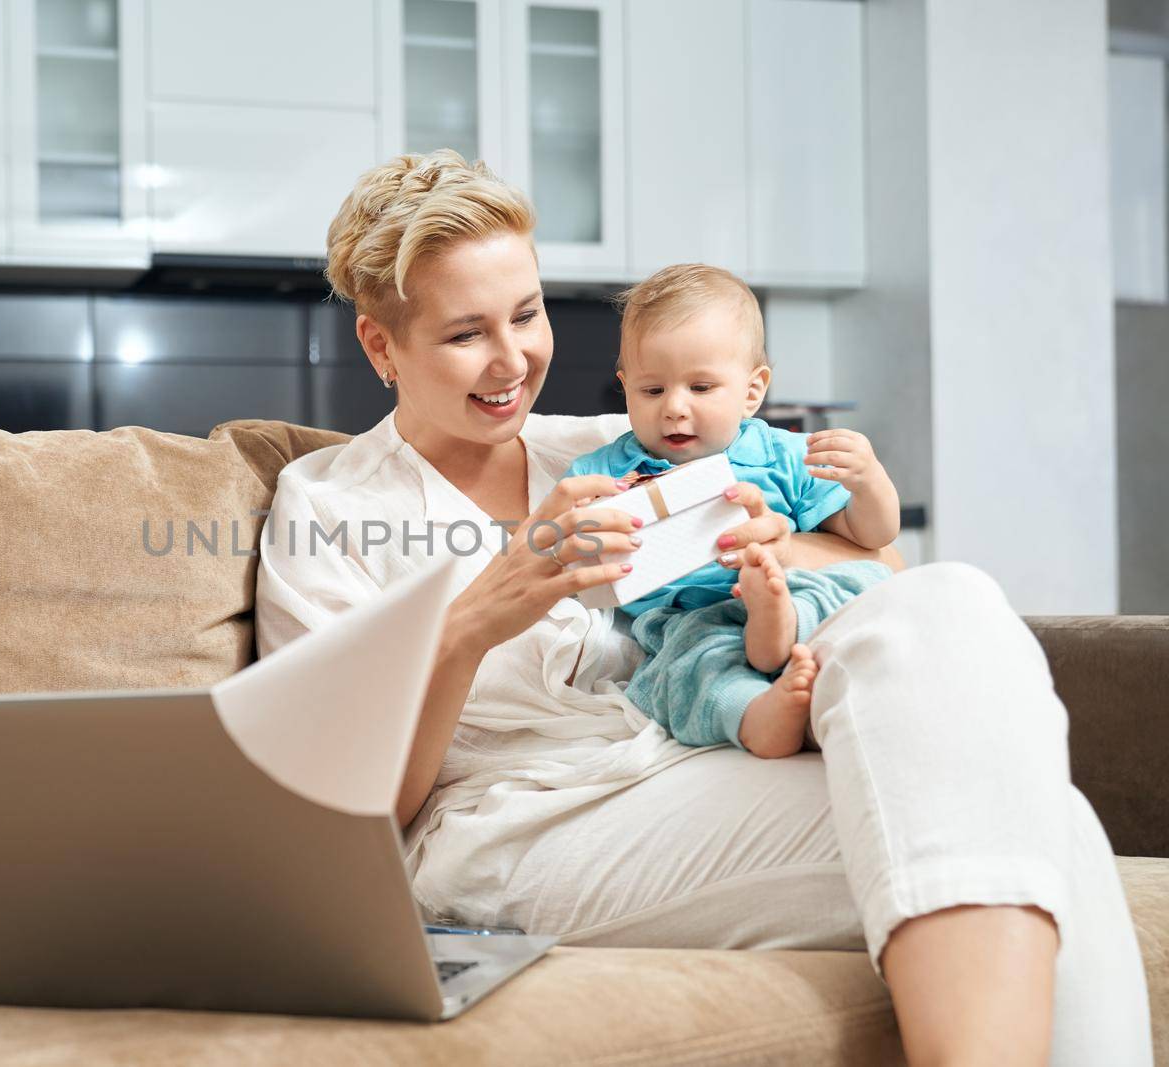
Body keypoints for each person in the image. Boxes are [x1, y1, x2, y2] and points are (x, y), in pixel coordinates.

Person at [255, 150, 1151, 1064]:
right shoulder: (328, 507)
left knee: (953, 599)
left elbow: (876, 565)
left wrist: (769, 539)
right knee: (1045, 825)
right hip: (509, 830)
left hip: (686, 758)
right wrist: (479, 614)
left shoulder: (621, 445)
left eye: (527, 314)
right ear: (380, 345)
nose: (514, 358)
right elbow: (345, 820)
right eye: (465, 333)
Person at [563, 263, 898, 758]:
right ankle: (758, 715)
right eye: (652, 390)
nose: (674, 407)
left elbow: (870, 536)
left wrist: (869, 480)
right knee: (687, 672)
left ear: (752, 391)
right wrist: (593, 521)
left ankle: (781, 622)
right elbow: (575, 558)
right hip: (693, 618)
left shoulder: (787, 455)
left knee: (867, 580)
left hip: (800, 594)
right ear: (625, 386)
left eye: (700, 388)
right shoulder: (605, 470)